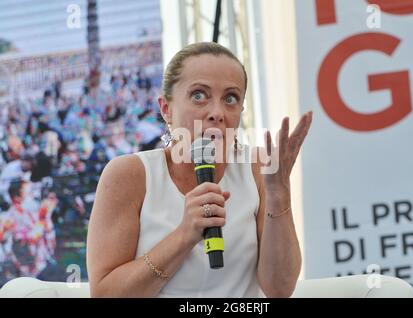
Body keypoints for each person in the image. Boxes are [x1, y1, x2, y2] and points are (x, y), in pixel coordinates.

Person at [86, 42, 313, 298]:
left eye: (230, 98)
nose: (217, 113)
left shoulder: (257, 169)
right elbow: (105, 294)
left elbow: (279, 288)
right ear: (166, 109)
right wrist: (185, 234)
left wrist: (279, 195)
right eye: (199, 95)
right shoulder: (129, 174)